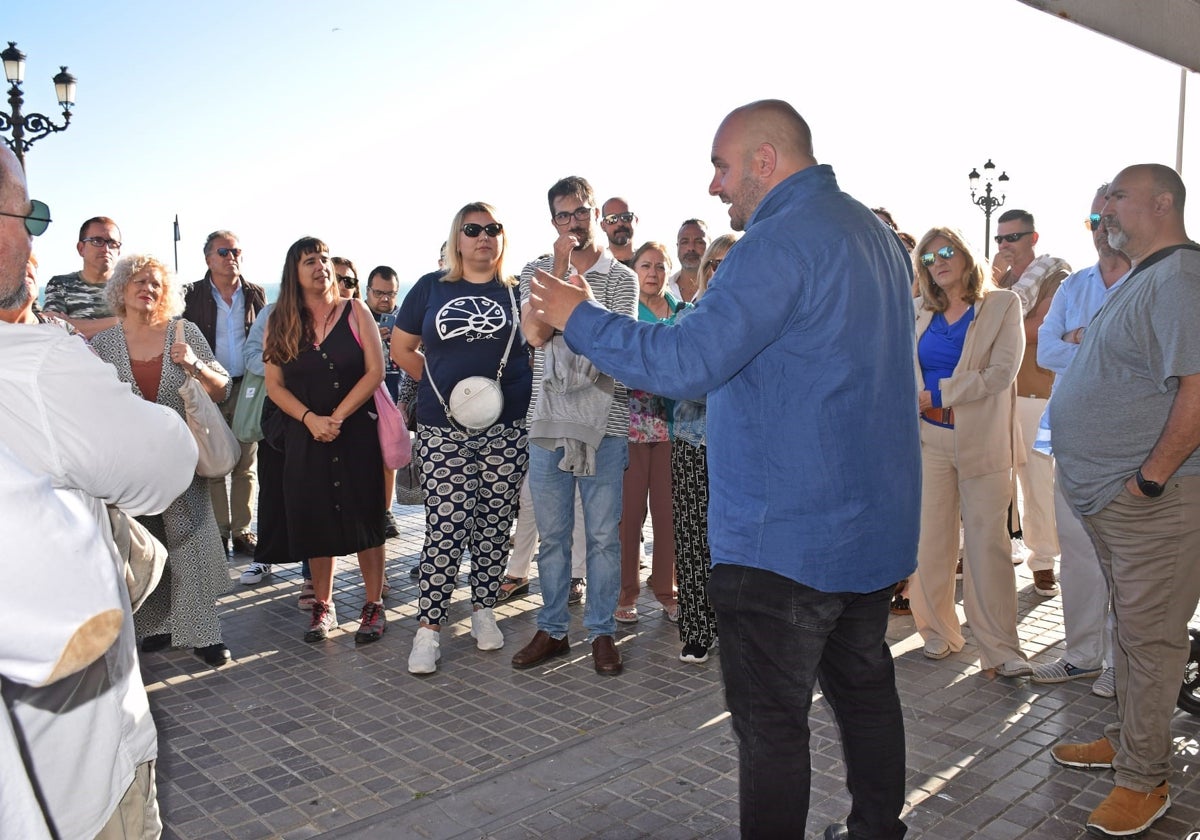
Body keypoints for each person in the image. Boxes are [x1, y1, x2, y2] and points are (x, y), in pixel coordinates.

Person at [529, 99, 920, 840]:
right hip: (870, 533)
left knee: (772, 728)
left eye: (721, 165)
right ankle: (878, 830)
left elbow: (685, 360)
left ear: (765, 162)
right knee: (865, 692)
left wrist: (576, 314)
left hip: (787, 541)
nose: (714, 186)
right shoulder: (873, 235)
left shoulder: (777, 244)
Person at [0, 146, 195, 838]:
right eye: (29, 214)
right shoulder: (35, 361)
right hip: (74, 778)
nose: (31, 237)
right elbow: (166, 462)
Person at [1050, 163, 1200, 839]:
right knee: (1133, 632)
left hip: (1153, 502)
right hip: (1119, 499)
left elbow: (1199, 389)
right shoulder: (1147, 275)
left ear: (1161, 204)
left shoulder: (1181, 277)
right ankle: (1131, 742)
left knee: (1152, 636)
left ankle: (1145, 779)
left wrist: (1148, 480)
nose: (1104, 206)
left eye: (1117, 196)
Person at [392, 202, 533, 675]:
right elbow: (401, 348)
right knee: (447, 525)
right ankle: (428, 628)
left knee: (494, 524)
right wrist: (445, 393)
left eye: (492, 229)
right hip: (442, 428)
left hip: (507, 427)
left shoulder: (516, 292)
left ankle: (483, 610)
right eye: (473, 229)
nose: (483, 237)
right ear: (457, 238)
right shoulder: (431, 287)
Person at [511, 175, 638, 677]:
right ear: (552, 221)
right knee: (554, 535)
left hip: (606, 422)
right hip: (548, 424)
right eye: (564, 215)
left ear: (594, 215)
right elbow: (536, 334)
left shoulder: (622, 278)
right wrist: (559, 273)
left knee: (605, 536)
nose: (574, 223)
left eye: (581, 212)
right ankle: (554, 628)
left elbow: (615, 346)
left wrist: (579, 299)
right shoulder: (534, 271)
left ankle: (603, 632)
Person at [91, 254, 235, 667]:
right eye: (138, 281)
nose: (147, 288)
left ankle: (204, 632)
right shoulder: (104, 344)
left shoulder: (183, 331)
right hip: (132, 466)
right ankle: (157, 625)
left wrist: (192, 364)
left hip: (181, 459)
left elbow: (221, 388)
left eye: (155, 283)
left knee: (190, 540)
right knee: (146, 540)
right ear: (121, 288)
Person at [904, 227, 1031, 678]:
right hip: (929, 442)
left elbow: (1002, 372)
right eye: (928, 257)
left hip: (983, 444)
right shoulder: (917, 310)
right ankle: (939, 632)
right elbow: (903, 368)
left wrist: (940, 393)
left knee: (986, 548)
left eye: (946, 252)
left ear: (964, 255)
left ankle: (1001, 650)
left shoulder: (1002, 305)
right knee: (931, 545)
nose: (938, 261)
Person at [262, 237, 388, 645]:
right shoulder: (279, 321)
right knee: (315, 519)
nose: (321, 266)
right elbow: (274, 386)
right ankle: (323, 603)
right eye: (309, 261)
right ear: (293, 273)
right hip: (306, 436)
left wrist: (336, 417)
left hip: (354, 432)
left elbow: (375, 371)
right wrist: (310, 419)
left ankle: (373, 604)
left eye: (324, 258)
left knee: (365, 518)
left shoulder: (355, 310)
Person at [1030, 186, 1130, 694]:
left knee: (1123, 557)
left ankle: (1120, 660)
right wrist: (1089, 343)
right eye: (1094, 215)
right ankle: (1081, 654)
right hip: (1070, 438)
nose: (1101, 224)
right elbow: (1046, 351)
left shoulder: (1148, 282)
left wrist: (1082, 340)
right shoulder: (1074, 287)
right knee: (1077, 550)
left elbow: (1133, 360)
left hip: (1127, 446)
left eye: (1110, 214)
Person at [992, 209, 1071, 595]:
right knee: (995, 479)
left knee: (1038, 480)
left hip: (1034, 391)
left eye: (1013, 237)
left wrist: (993, 333)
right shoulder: (998, 279)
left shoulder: (1054, 273)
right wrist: (992, 274)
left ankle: (1043, 560)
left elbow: (1042, 326)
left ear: (1033, 238)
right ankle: (998, 550)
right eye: (1000, 239)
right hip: (996, 393)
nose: (1005, 245)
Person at [671, 233, 738, 664]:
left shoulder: (763, 324)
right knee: (693, 541)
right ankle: (697, 627)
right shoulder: (687, 320)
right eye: (712, 264)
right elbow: (684, 382)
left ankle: (738, 631)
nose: (718, 271)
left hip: (745, 449)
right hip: (694, 444)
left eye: (730, 263)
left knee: (740, 547)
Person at [183, 230, 266, 558]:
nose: (231, 257)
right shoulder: (192, 295)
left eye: (236, 251)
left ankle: (243, 530)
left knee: (246, 462)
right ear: (208, 258)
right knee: (215, 461)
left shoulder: (255, 293)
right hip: (209, 386)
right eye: (223, 251)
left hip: (247, 386)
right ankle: (219, 532)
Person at [615, 240, 682, 625]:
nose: (653, 273)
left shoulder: (681, 312)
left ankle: (665, 590)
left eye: (659, 266)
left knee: (667, 514)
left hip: (671, 427)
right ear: (635, 270)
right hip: (631, 427)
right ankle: (627, 592)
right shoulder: (626, 312)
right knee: (630, 516)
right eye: (645, 266)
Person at [366, 264, 405, 538]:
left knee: (388, 456)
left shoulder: (403, 319)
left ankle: (385, 511)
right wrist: (370, 340)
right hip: (367, 397)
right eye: (379, 292)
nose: (384, 299)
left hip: (395, 395)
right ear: (367, 291)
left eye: (390, 294)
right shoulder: (358, 317)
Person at [42, 215, 122, 338]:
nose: (106, 249)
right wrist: (120, 321)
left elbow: (142, 330)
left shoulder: (130, 287)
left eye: (113, 243)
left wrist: (72, 325)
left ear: (119, 251)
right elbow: (54, 331)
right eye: (97, 241)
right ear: (81, 248)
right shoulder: (60, 284)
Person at [666, 219, 708, 303]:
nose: (691, 248)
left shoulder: (720, 288)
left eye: (699, 242)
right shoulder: (664, 289)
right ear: (677, 247)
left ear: (710, 247)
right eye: (685, 242)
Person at [600, 197, 638, 267]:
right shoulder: (595, 265)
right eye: (611, 219)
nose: (620, 223)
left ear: (636, 220)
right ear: (603, 226)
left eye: (626, 217)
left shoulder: (650, 263)